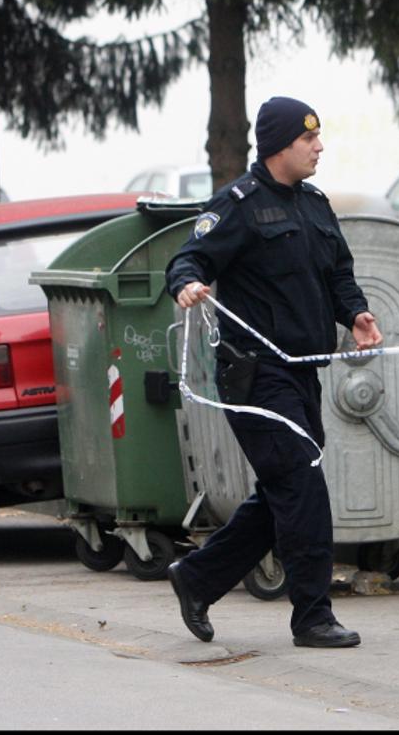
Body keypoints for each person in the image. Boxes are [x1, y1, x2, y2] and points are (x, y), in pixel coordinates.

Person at [164, 97, 384, 648]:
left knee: (286, 489)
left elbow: (339, 273)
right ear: (279, 146)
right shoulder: (238, 204)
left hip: (304, 372)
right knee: (302, 485)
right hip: (256, 377)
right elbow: (190, 257)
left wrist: (356, 313)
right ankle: (312, 616)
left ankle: (198, 577)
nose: (319, 147)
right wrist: (187, 284)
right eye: (308, 138)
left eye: (318, 136)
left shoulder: (314, 204)